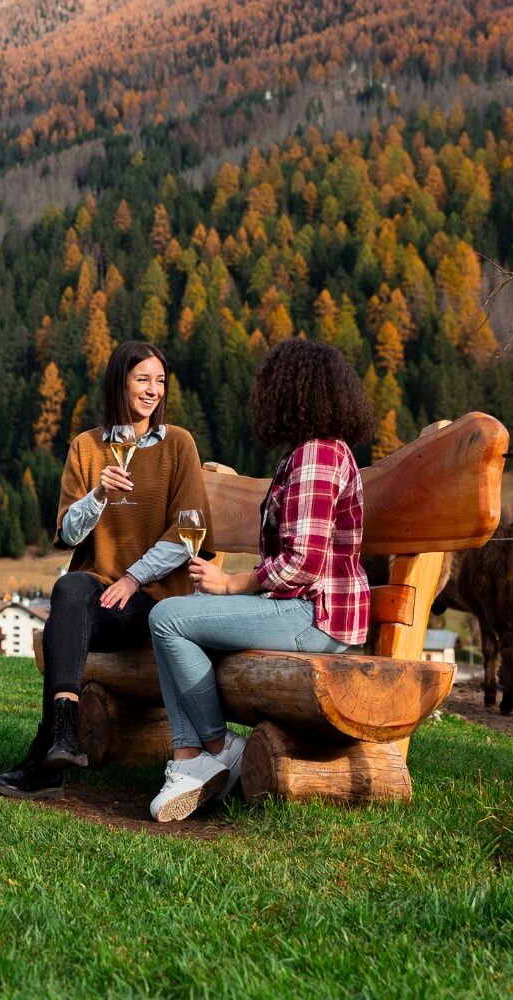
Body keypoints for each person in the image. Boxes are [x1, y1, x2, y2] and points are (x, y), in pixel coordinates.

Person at [143, 339, 376, 822]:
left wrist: (230, 584)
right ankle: (189, 760)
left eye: (270, 386)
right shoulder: (309, 453)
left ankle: (217, 747)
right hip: (304, 608)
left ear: (293, 393)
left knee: (168, 618)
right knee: (171, 616)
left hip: (315, 615)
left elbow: (303, 565)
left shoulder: (317, 456)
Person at [0, 340, 211, 800]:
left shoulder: (178, 444)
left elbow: (190, 528)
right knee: (69, 588)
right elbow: (69, 535)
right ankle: (64, 734)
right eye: (142, 379)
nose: (153, 390)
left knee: (60, 623)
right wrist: (99, 496)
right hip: (97, 598)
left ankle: (47, 756)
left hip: (154, 599)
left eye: (160, 381)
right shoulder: (87, 447)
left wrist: (133, 577)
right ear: (119, 383)